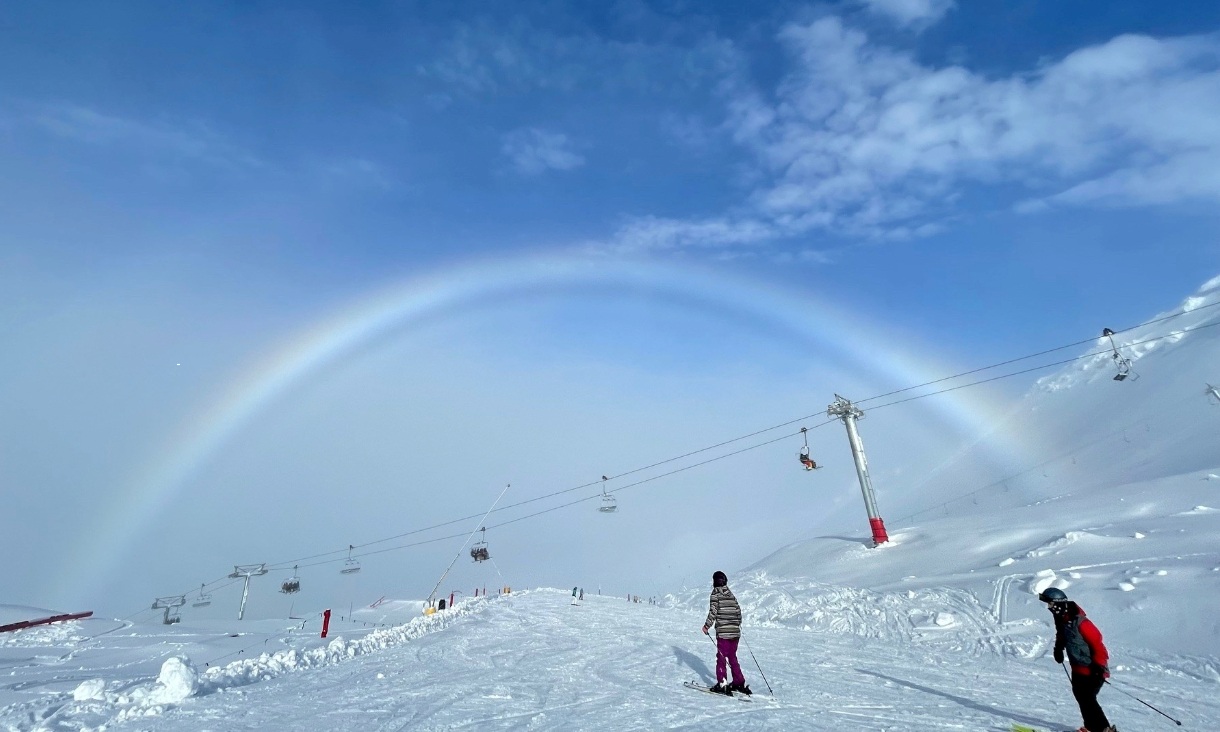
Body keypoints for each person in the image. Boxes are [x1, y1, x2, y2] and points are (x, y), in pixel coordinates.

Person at [1040, 587, 1117, 732]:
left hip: (1093, 669)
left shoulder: (1082, 623)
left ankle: (1104, 729)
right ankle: (1091, 727)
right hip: (1077, 668)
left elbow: (1098, 644)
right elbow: (1062, 634)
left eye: (1050, 603)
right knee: (1082, 698)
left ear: (1058, 603)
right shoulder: (1062, 619)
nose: (1049, 607)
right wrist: (1058, 648)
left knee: (1088, 699)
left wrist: (1099, 667)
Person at [701, 571, 750, 695]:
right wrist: (736, 624)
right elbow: (738, 611)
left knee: (721, 657)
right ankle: (739, 681)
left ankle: (722, 683)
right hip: (735, 632)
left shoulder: (715, 594)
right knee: (732, 656)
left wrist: (707, 626)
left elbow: (713, 611)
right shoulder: (731, 594)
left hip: (723, 632)